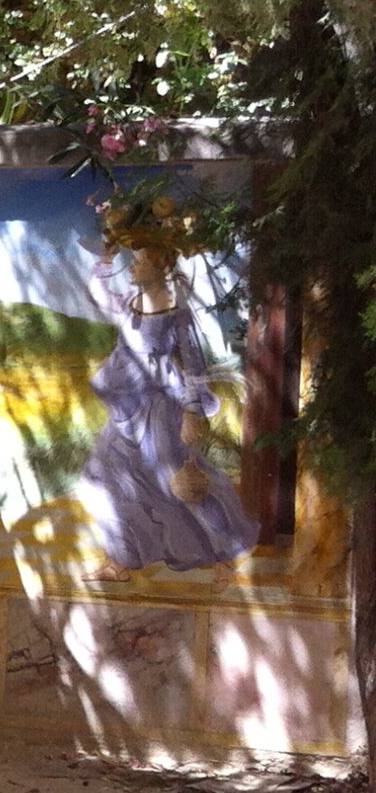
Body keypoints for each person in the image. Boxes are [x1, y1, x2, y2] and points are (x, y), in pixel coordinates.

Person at [75, 239, 259, 581]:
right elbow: (97, 294)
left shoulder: (177, 314)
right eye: (132, 260)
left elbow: (193, 364)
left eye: (140, 260)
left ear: (160, 267)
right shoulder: (129, 305)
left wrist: (191, 412)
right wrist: (106, 257)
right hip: (126, 410)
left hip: (160, 411)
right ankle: (120, 560)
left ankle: (225, 559)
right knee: (98, 477)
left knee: (179, 482)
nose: (132, 266)